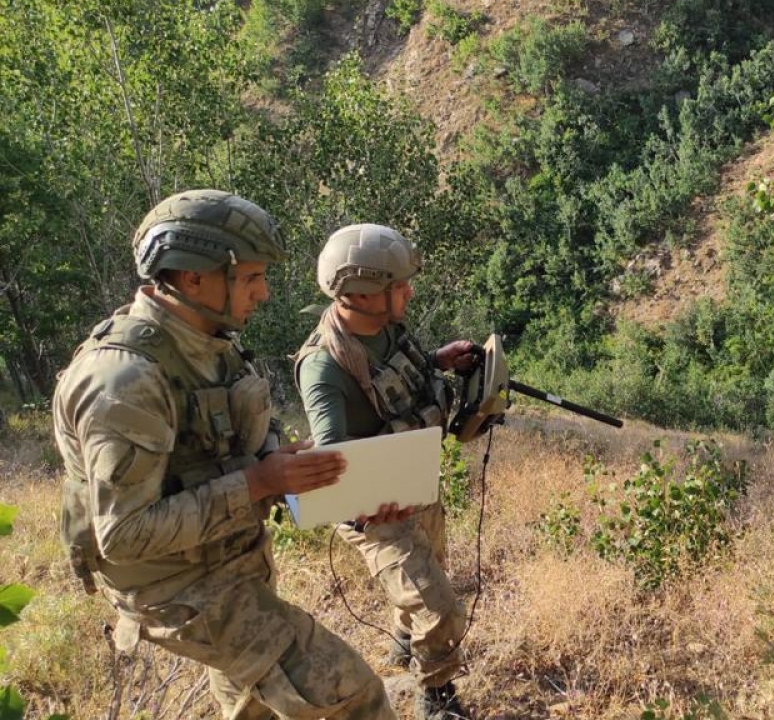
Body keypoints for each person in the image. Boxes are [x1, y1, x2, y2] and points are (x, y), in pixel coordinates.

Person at [53, 190, 398, 719]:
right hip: (181, 588)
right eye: (251, 278)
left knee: (252, 707)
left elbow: (239, 447)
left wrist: (327, 486)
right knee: (352, 695)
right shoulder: (124, 381)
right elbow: (122, 536)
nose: (262, 294)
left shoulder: (211, 342)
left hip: (231, 563)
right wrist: (259, 483)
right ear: (195, 278)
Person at [294, 224, 475, 720]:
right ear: (362, 294)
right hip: (371, 504)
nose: (409, 292)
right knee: (437, 606)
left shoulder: (387, 327)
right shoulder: (324, 366)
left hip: (410, 476)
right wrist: (375, 502)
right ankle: (436, 697)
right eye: (399, 286)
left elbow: (395, 374)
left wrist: (439, 360)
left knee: (430, 564)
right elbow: (334, 459)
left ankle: (401, 637)